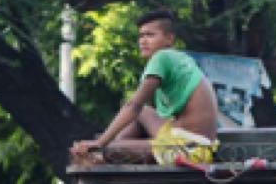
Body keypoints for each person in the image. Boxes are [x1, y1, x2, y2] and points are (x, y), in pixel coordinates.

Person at [70, 9, 219, 164]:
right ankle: (118, 148)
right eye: (141, 36)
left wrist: (100, 143)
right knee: (142, 114)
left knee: (104, 151)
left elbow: (133, 106)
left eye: (150, 35)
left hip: (189, 149)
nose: (143, 41)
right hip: (182, 137)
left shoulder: (162, 57)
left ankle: (113, 151)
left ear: (169, 39)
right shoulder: (178, 58)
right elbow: (141, 110)